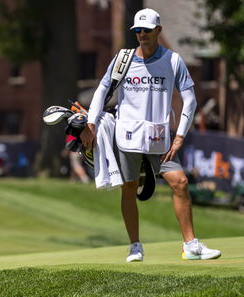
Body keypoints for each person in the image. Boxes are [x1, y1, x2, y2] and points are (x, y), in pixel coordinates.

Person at [81, 8, 221, 262]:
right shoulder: (122, 59)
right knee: (130, 187)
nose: (142, 34)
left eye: (147, 30)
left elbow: (190, 100)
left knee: (180, 183)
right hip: (127, 136)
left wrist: (180, 136)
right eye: (138, 30)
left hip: (160, 138)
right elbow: (101, 91)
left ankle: (190, 245)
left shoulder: (173, 60)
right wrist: (91, 124)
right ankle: (135, 246)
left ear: (159, 30)